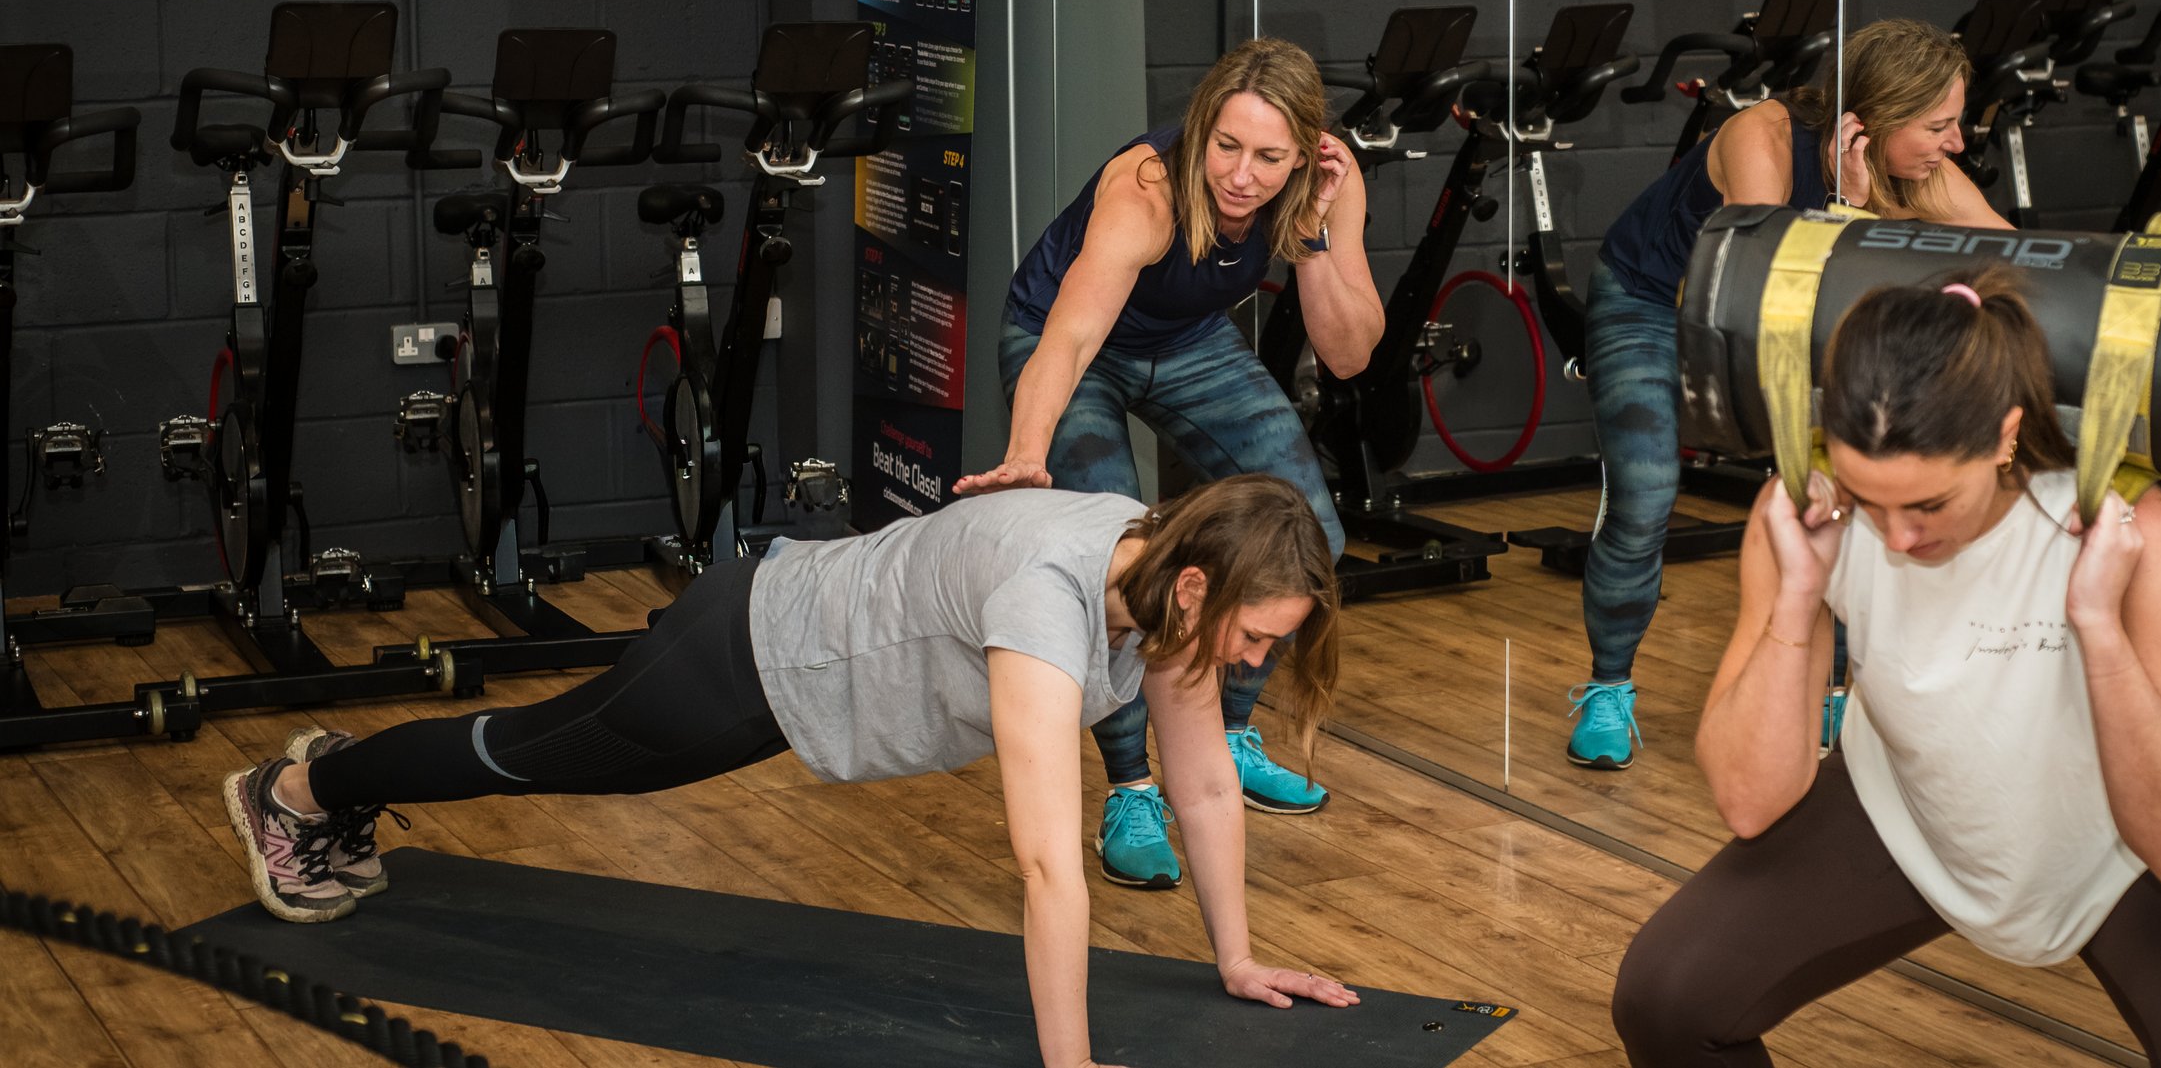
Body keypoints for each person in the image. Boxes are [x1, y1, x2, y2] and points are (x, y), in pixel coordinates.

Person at [222, 475, 1354, 1068]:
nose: (1254, 661)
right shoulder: (1047, 598)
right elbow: (1049, 861)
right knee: (534, 756)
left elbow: (1202, 782)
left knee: (555, 759)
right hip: (743, 655)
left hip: (797, 677)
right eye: (1257, 635)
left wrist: (1241, 959)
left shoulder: (1162, 580)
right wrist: (1069, 1059)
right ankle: (303, 790)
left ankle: (328, 786)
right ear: (1201, 588)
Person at [1611, 271, 2161, 1067]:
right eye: (1873, 502)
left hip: (2120, 848)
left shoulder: (2132, 529)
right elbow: (1749, 797)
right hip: (1913, 806)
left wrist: (2098, 628)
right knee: (1667, 998)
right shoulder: (1809, 509)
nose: (1898, 536)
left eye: (1930, 505)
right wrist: (1798, 597)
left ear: (2007, 434)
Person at [956, 37, 1382, 889]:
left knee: (1312, 536)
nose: (1242, 176)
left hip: (1186, 344)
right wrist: (1027, 455)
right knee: (1120, 563)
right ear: (1202, 128)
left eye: (1269, 156)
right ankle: (1132, 787)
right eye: (1227, 146)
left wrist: (1320, 233)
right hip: (1067, 338)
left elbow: (1348, 355)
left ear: (1305, 150)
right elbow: (1073, 334)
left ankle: (1227, 737)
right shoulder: (1147, 188)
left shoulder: (1327, 185)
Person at [1569, 16, 2009, 768]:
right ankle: (1607, 686)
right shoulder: (1759, 138)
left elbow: (2009, 253)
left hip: (1781, 323)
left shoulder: (1918, 164)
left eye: (1956, 122)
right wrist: (1851, 207)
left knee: (1837, 490)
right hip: (1653, 302)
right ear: (1870, 121)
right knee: (1644, 493)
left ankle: (1838, 691)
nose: (1957, 143)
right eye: (1939, 125)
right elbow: (1761, 285)